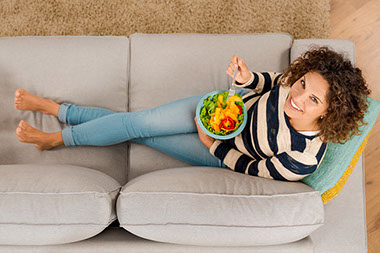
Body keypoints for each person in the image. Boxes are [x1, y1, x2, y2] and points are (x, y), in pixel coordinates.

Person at [14, 46, 371, 181]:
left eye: (313, 101)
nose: (299, 97)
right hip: (221, 108)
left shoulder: (302, 157)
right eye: (304, 85)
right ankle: (55, 115)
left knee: (140, 132)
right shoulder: (294, 84)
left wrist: (213, 146)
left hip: (219, 150)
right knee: (137, 121)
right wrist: (248, 79)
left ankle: (53, 132)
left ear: (329, 113)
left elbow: (254, 169)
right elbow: (274, 82)